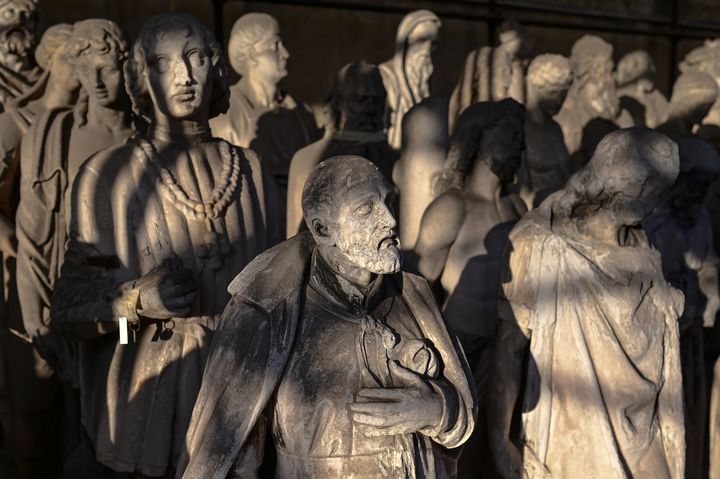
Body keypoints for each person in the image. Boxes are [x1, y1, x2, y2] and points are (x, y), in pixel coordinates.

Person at [50, 13, 280, 477]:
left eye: (196, 58)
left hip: (241, 397)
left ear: (216, 67)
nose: (185, 75)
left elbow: (281, 296)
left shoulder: (252, 171)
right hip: (150, 408)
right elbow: (68, 310)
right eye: (162, 62)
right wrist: (136, 301)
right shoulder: (106, 175)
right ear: (140, 78)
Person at [179, 155, 476, 478]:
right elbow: (230, 451)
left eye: (389, 201)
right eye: (367, 209)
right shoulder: (269, 311)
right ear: (322, 229)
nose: (390, 220)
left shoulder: (413, 294)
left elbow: (463, 411)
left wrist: (437, 410)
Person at [490, 128, 685, 479]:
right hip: (574, 428)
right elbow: (510, 348)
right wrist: (499, 436)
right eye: (651, 194)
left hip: (644, 425)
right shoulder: (541, 245)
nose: (655, 207)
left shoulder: (641, 241)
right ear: (624, 186)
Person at [412, 99, 526, 479]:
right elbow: (416, 288)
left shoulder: (518, 209)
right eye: (510, 134)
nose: (520, 145)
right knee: (453, 456)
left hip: (507, 350)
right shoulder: (452, 207)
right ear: (479, 138)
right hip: (458, 353)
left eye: (521, 136)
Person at [210, 12, 320, 201]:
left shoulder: (303, 115)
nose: (286, 54)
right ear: (252, 55)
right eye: (275, 46)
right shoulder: (226, 114)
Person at [286, 61, 396, 237]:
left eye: (377, 100)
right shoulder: (308, 159)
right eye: (360, 100)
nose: (370, 109)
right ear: (338, 104)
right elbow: (297, 238)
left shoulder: (395, 160)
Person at [379, 9, 440, 150]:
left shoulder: (426, 77)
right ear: (406, 41)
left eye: (433, 43)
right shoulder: (384, 75)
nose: (427, 50)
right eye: (422, 41)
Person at [520, 53, 572, 208]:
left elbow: (566, 176)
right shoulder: (520, 129)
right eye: (553, 92)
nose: (559, 100)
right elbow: (522, 196)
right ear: (533, 87)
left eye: (564, 93)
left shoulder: (555, 129)